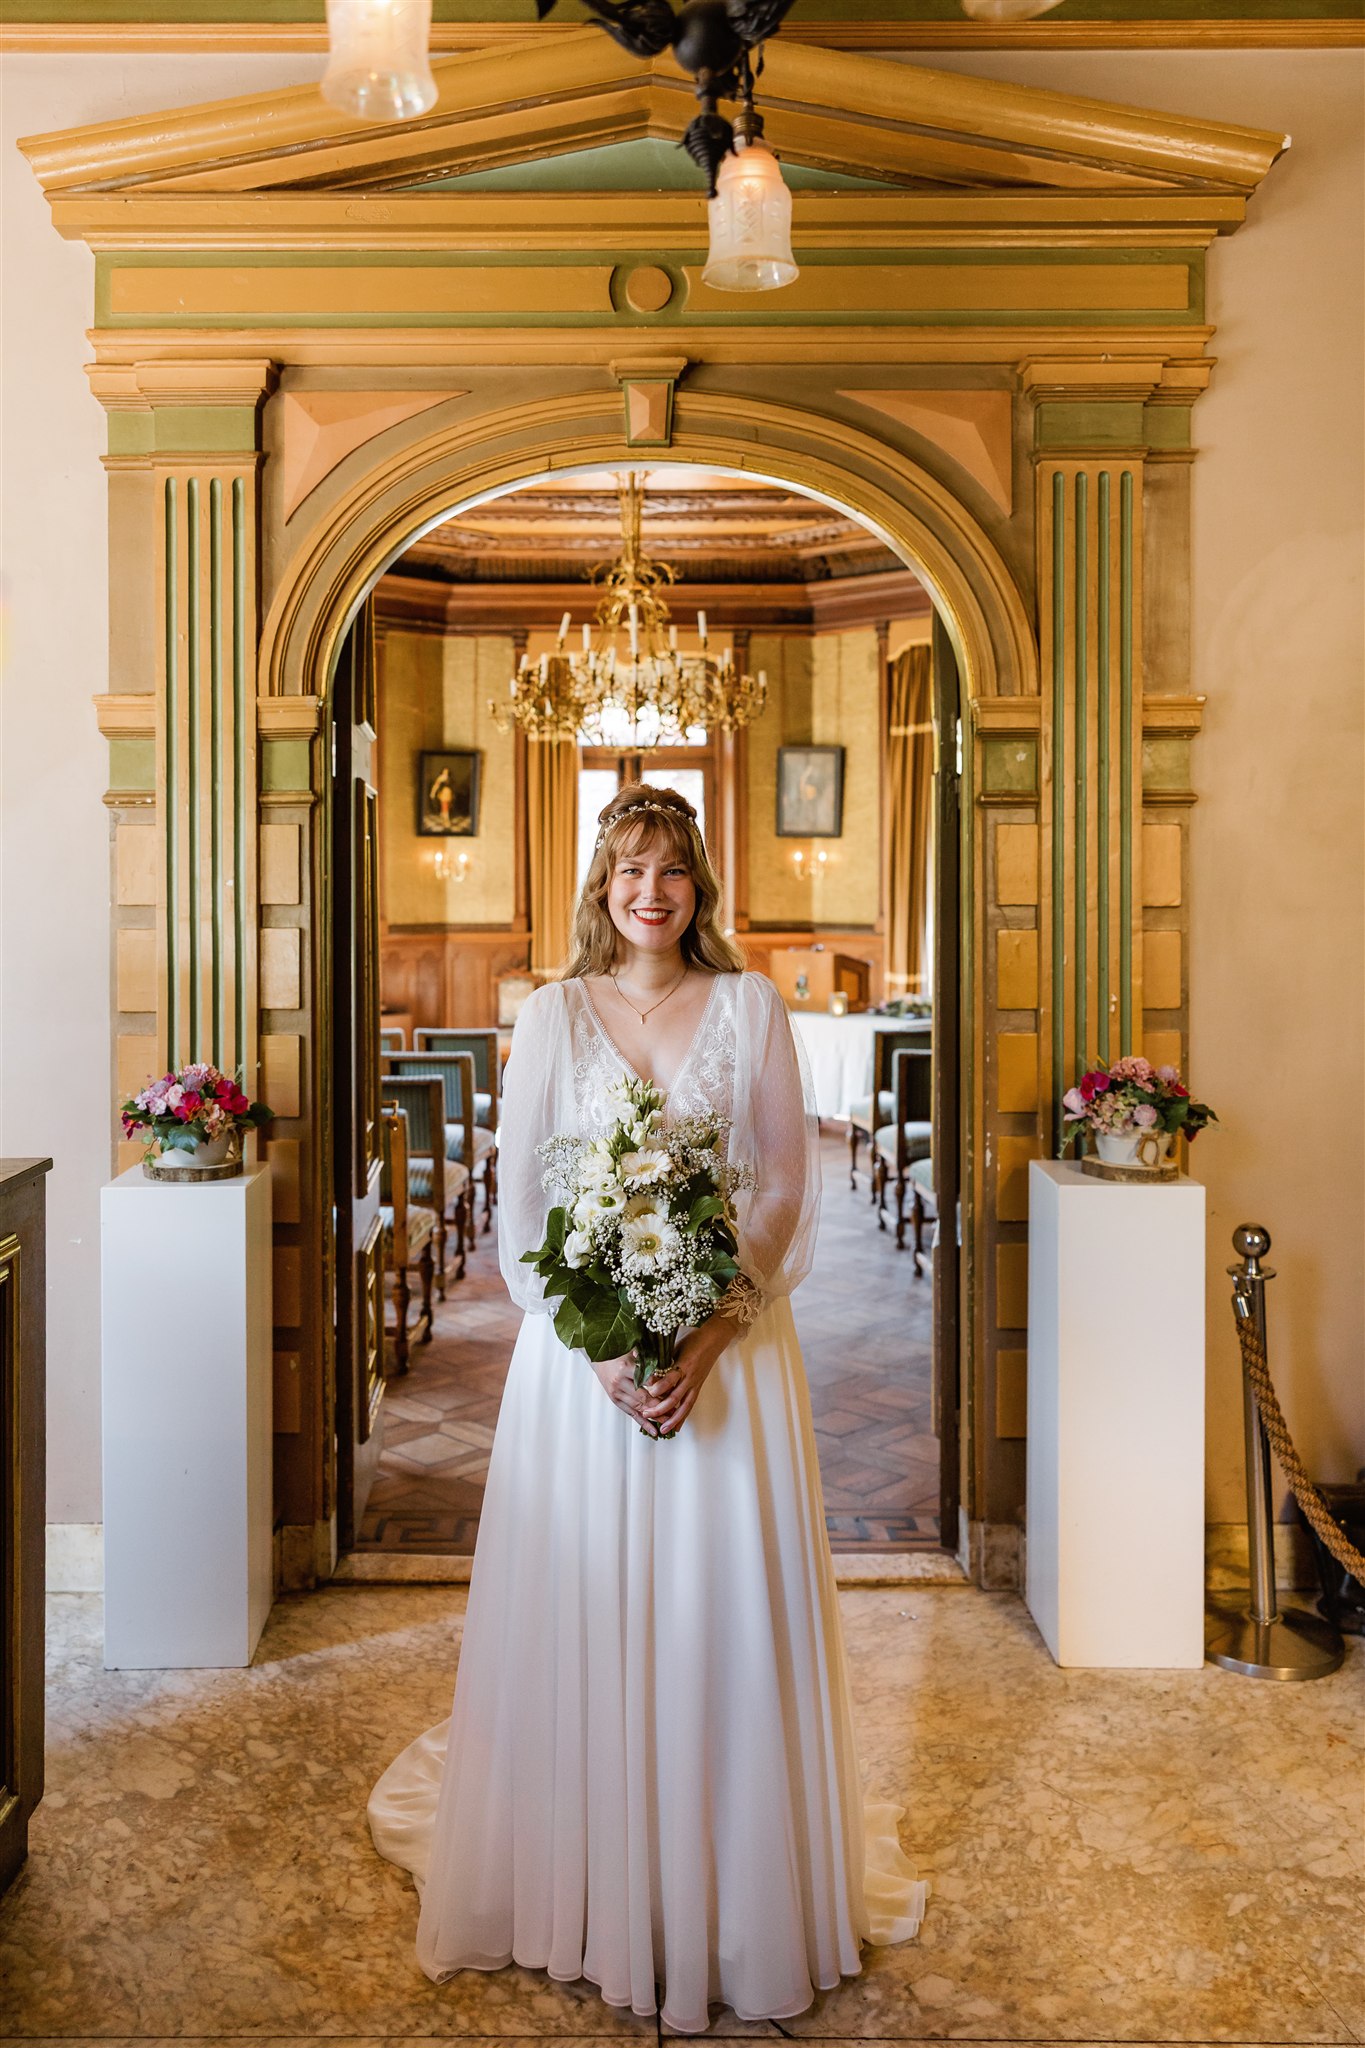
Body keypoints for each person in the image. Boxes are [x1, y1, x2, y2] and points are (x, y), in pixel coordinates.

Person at [367, 783, 927, 2032]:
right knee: (596, 1601)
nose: (650, 891)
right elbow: (520, 1225)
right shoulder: (552, 1015)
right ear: (599, 885)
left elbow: (783, 1188)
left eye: (672, 869)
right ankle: (581, 1874)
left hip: (733, 1368)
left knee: (719, 1610)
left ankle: (733, 1886)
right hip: (580, 1382)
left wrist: (713, 1330)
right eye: (628, 869)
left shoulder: (753, 1007)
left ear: (700, 885)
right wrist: (603, 1352)